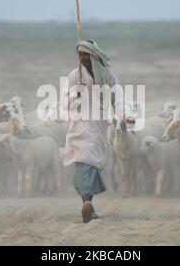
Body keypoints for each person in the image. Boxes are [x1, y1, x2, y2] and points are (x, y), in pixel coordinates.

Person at [62, 39, 129, 223]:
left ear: (94, 54)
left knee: (92, 163)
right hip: (80, 125)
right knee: (83, 161)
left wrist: (124, 115)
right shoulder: (75, 76)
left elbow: (119, 98)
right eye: (80, 54)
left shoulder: (108, 75)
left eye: (86, 54)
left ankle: (88, 205)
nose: (82, 58)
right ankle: (86, 203)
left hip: (99, 125)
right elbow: (63, 102)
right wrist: (76, 94)